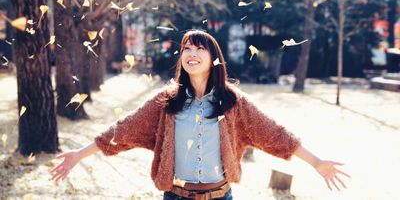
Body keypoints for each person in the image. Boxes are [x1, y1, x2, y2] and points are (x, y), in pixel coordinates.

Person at [51, 30, 349, 199]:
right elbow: (122, 130)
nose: (191, 53)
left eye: (199, 49)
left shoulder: (233, 102)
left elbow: (275, 135)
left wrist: (317, 163)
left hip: (220, 196)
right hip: (176, 196)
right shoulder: (165, 101)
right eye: (186, 48)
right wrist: (79, 153)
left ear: (213, 58)